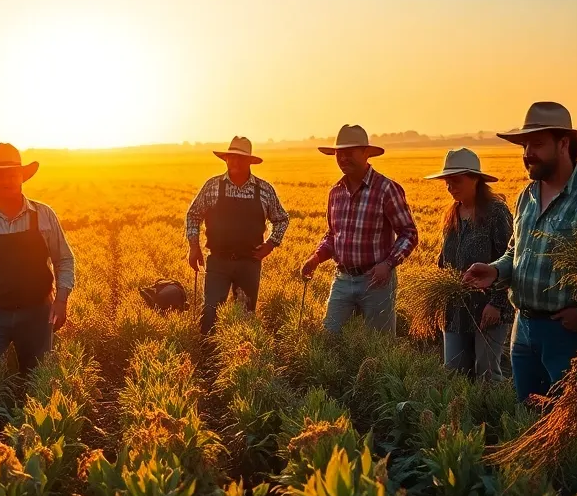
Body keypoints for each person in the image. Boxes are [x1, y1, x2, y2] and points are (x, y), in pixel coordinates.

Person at [463, 102, 577, 402]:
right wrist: (495, 271)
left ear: (564, 144)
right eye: (525, 144)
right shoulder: (526, 196)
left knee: (567, 428)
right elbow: (516, 253)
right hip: (524, 328)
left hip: (569, 334)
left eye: (537, 144)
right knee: (528, 417)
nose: (527, 152)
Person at [0, 143, 75, 373]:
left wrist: (61, 300)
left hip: (37, 313)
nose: (6, 181)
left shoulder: (44, 215)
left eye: (12, 174)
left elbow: (64, 260)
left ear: (22, 177)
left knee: (39, 379)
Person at [301, 124, 418, 333]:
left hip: (375, 281)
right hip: (342, 279)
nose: (343, 158)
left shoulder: (386, 189)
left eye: (349, 152)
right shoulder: (335, 192)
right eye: (339, 153)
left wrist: (388, 264)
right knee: (330, 338)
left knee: (378, 345)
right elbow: (333, 235)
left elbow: (409, 233)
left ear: (365, 153)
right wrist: (316, 257)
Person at [185, 136, 290, 334]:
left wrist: (270, 244)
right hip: (218, 261)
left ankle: (240, 359)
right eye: (231, 157)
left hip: (249, 263)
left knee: (245, 316)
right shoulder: (213, 186)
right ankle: (208, 358)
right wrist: (194, 247)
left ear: (250, 161)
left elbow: (282, 219)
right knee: (210, 314)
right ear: (225, 159)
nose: (234, 162)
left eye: (240, 158)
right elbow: (193, 215)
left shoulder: (264, 190)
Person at [424, 148, 513, 380]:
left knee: (487, 373)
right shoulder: (451, 214)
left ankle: (494, 414)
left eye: (456, 181)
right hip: (455, 310)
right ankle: (462, 416)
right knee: (454, 374)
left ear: (475, 179)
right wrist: (436, 297)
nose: (450, 187)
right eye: (447, 182)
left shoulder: (496, 212)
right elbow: (443, 262)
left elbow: (510, 258)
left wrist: (497, 303)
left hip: (488, 309)